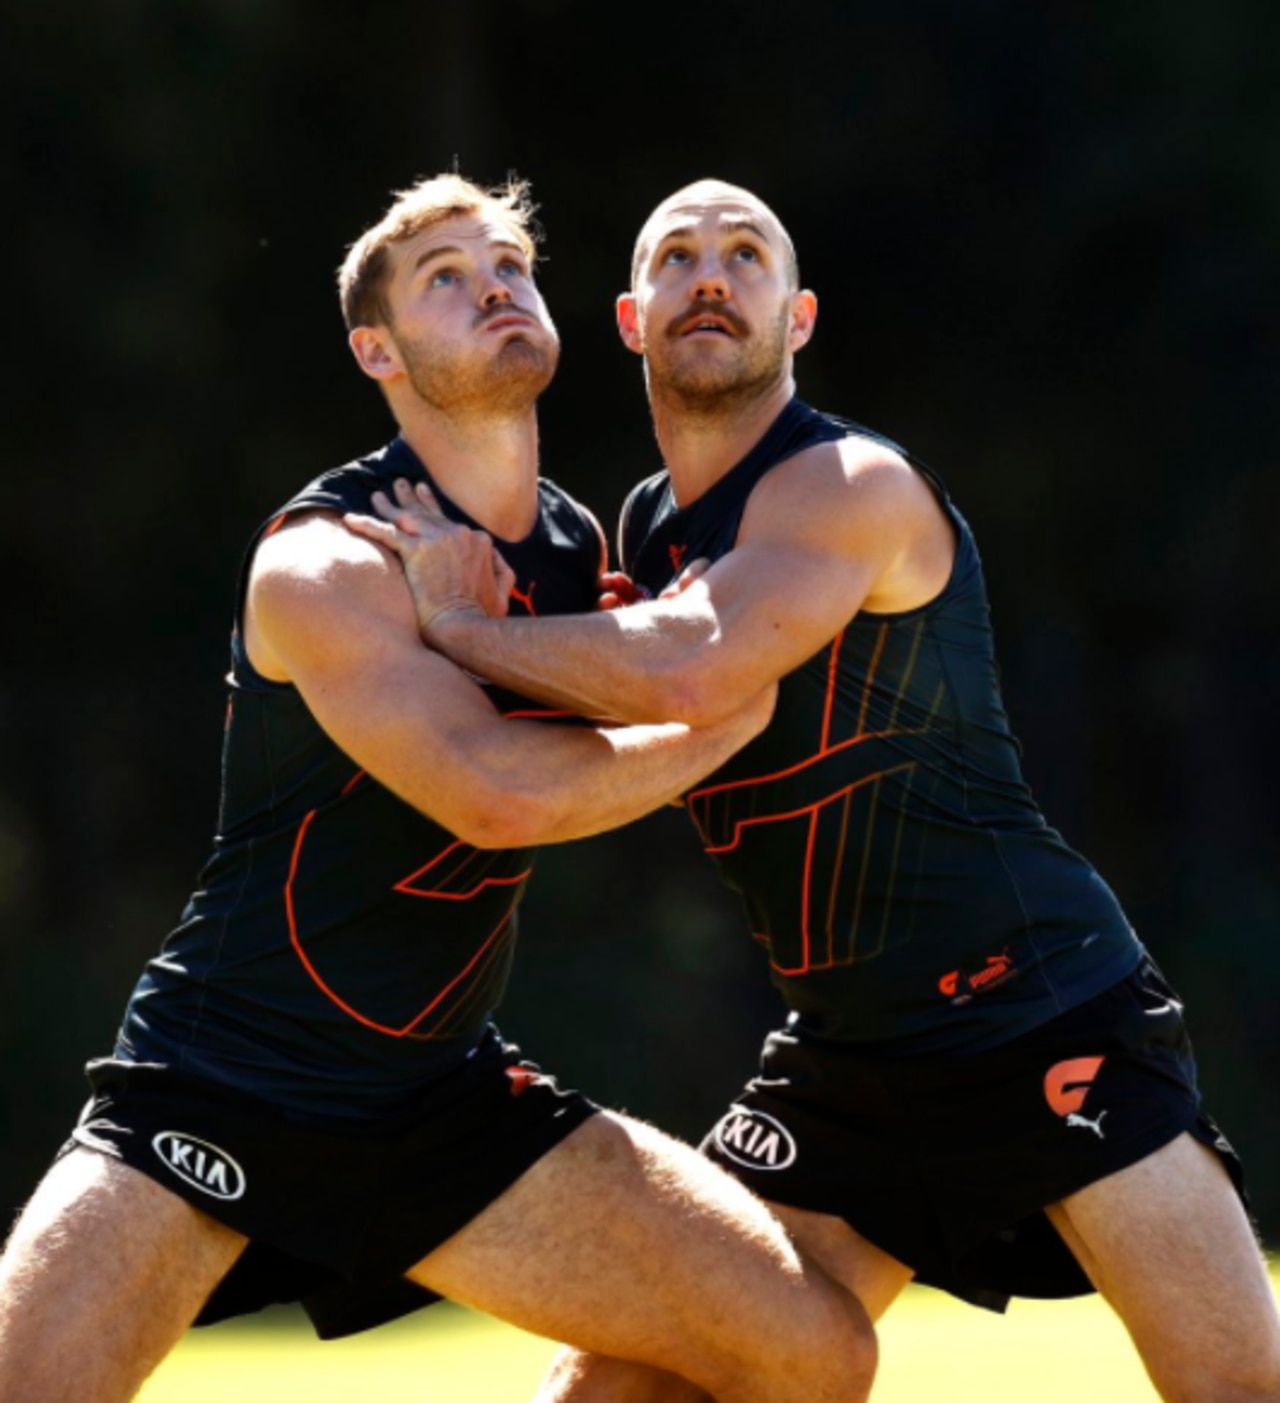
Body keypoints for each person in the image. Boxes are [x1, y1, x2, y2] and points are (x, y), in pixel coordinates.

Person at [348, 178, 1280, 1403]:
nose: (711, 275)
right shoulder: (642, 525)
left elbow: (694, 660)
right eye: (675, 257)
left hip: (1040, 1006)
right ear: (631, 320)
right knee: (630, 1381)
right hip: (850, 1052)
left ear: (798, 318)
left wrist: (459, 626)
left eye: (746, 254)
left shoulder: (846, 482)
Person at [0, 174, 879, 1403]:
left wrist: (528, 642)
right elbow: (494, 795)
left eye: (509, 266)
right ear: (379, 349)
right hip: (227, 1071)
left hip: (434, 1096)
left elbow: (684, 658)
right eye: (446, 280)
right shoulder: (322, 562)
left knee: (812, 1353)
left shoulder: (582, 556)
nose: (496, 289)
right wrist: (716, 721)